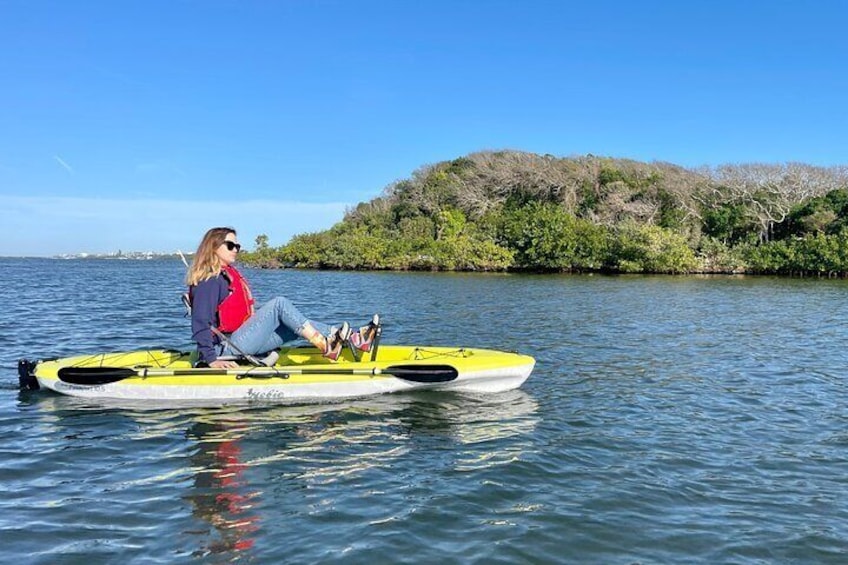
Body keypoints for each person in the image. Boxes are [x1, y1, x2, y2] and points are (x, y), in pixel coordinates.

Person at [186, 227, 378, 368]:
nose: (236, 249)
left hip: (241, 341)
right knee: (280, 304)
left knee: (296, 324)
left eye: (237, 245)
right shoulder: (209, 280)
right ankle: (326, 345)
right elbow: (201, 321)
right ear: (213, 247)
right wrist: (211, 359)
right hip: (226, 347)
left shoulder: (225, 275)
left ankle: (354, 339)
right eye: (230, 245)